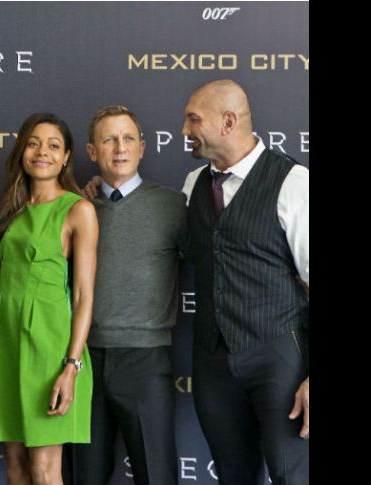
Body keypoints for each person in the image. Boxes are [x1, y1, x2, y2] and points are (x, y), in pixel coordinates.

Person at [181, 79, 309, 485]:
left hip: (279, 359)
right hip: (213, 363)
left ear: (228, 121)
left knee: (293, 475)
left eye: (193, 120)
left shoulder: (294, 184)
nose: (184, 131)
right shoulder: (191, 186)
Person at [0, 112, 98, 485]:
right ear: (21, 151)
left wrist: (71, 365)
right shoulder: (12, 210)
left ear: (66, 157)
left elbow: (83, 295)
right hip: (6, 342)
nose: (42, 152)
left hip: (50, 348)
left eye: (53, 145)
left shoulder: (78, 210)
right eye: (33, 143)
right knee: (14, 466)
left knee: (45, 471)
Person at [73, 105, 186, 485]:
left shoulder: (175, 206)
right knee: (85, 475)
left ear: (143, 147)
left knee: (156, 475)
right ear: (92, 151)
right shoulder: (75, 206)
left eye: (128, 139)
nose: (119, 148)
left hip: (145, 360)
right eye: (108, 139)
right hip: (81, 361)